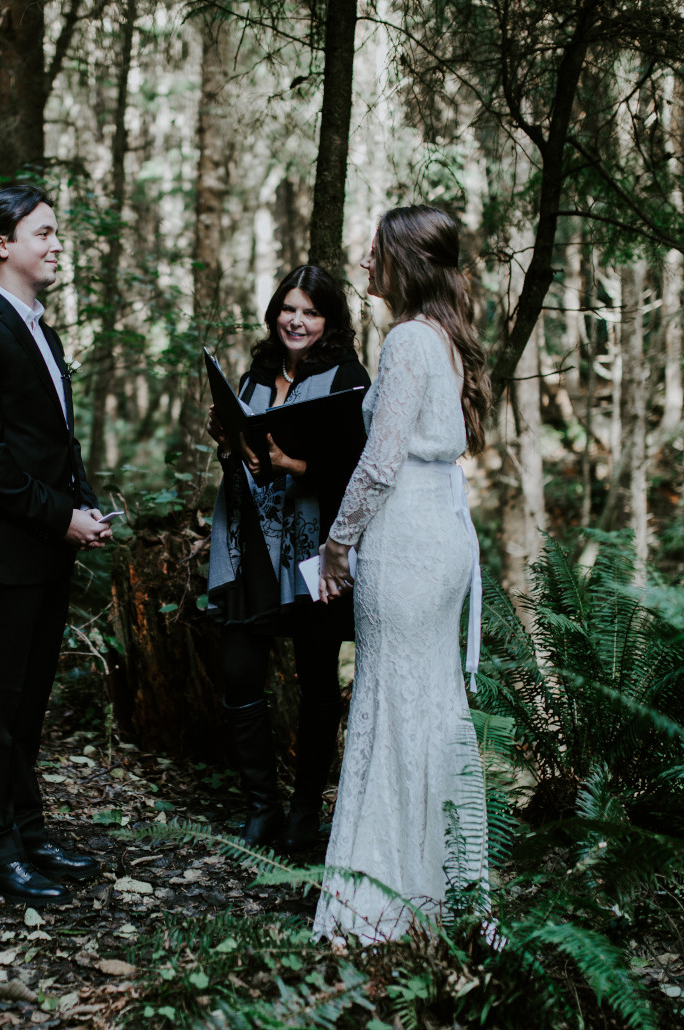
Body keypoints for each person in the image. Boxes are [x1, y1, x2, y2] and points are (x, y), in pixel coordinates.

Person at [312, 206, 492, 943]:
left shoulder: (408, 341)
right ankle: (444, 893)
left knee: (390, 707)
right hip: (441, 537)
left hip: (407, 540)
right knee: (432, 709)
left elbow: (379, 462)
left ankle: (378, 905)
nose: (365, 265)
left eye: (376, 253)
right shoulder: (445, 340)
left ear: (406, 266)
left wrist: (336, 544)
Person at [0, 184, 113, 906]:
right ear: (0, 245)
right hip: (3, 548)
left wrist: (85, 505)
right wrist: (59, 515)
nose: (56, 243)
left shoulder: (42, 328)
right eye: (42, 233)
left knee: (31, 696)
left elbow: (52, 443)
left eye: (56, 232)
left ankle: (30, 832)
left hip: (46, 547)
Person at [205, 265, 371, 851]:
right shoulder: (257, 373)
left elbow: (362, 473)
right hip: (250, 541)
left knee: (318, 679)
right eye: (287, 309)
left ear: (329, 322)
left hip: (313, 550)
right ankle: (261, 806)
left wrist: (294, 467)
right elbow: (248, 454)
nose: (296, 321)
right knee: (238, 669)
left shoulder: (350, 379)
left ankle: (304, 812)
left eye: (310, 312)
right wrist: (231, 441)